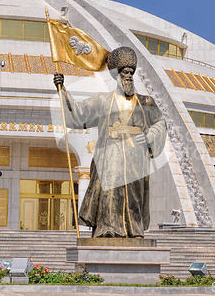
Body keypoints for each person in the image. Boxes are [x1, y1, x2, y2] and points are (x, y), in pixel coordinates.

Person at [53, 46, 167, 238]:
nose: (129, 76)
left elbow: (160, 123)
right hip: (110, 158)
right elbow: (79, 114)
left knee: (133, 197)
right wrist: (62, 90)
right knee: (110, 193)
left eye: (131, 72)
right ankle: (108, 230)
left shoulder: (146, 102)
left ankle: (134, 231)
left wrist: (149, 137)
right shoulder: (103, 101)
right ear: (116, 75)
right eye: (124, 72)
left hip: (136, 160)